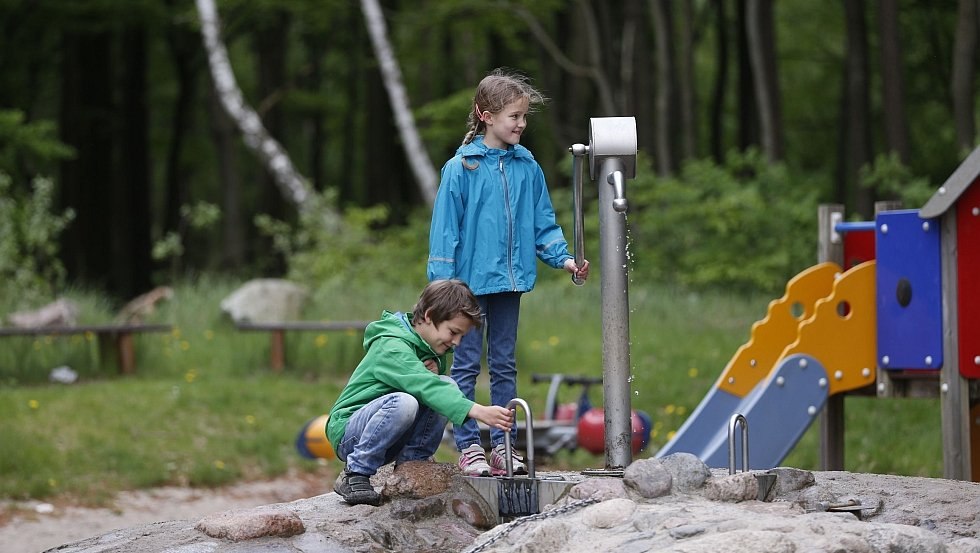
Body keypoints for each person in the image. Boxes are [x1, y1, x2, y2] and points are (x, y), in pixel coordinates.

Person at [427, 68, 590, 478]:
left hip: (509, 284)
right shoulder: (460, 168)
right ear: (485, 115)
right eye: (514, 116)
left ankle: (503, 445)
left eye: (524, 117)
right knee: (464, 367)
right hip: (464, 289)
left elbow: (543, 224)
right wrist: (440, 286)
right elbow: (444, 233)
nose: (521, 124)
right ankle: (468, 447)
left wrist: (565, 259)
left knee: (503, 365)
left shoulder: (526, 166)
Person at [327, 279, 514, 506]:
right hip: (352, 434)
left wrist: (435, 373)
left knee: (446, 385)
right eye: (453, 332)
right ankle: (355, 473)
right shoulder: (392, 345)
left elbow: (430, 387)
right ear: (429, 315)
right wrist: (476, 410)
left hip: (389, 434)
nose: (456, 342)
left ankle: (412, 463)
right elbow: (424, 386)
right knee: (407, 401)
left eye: (461, 337)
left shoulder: (427, 348)